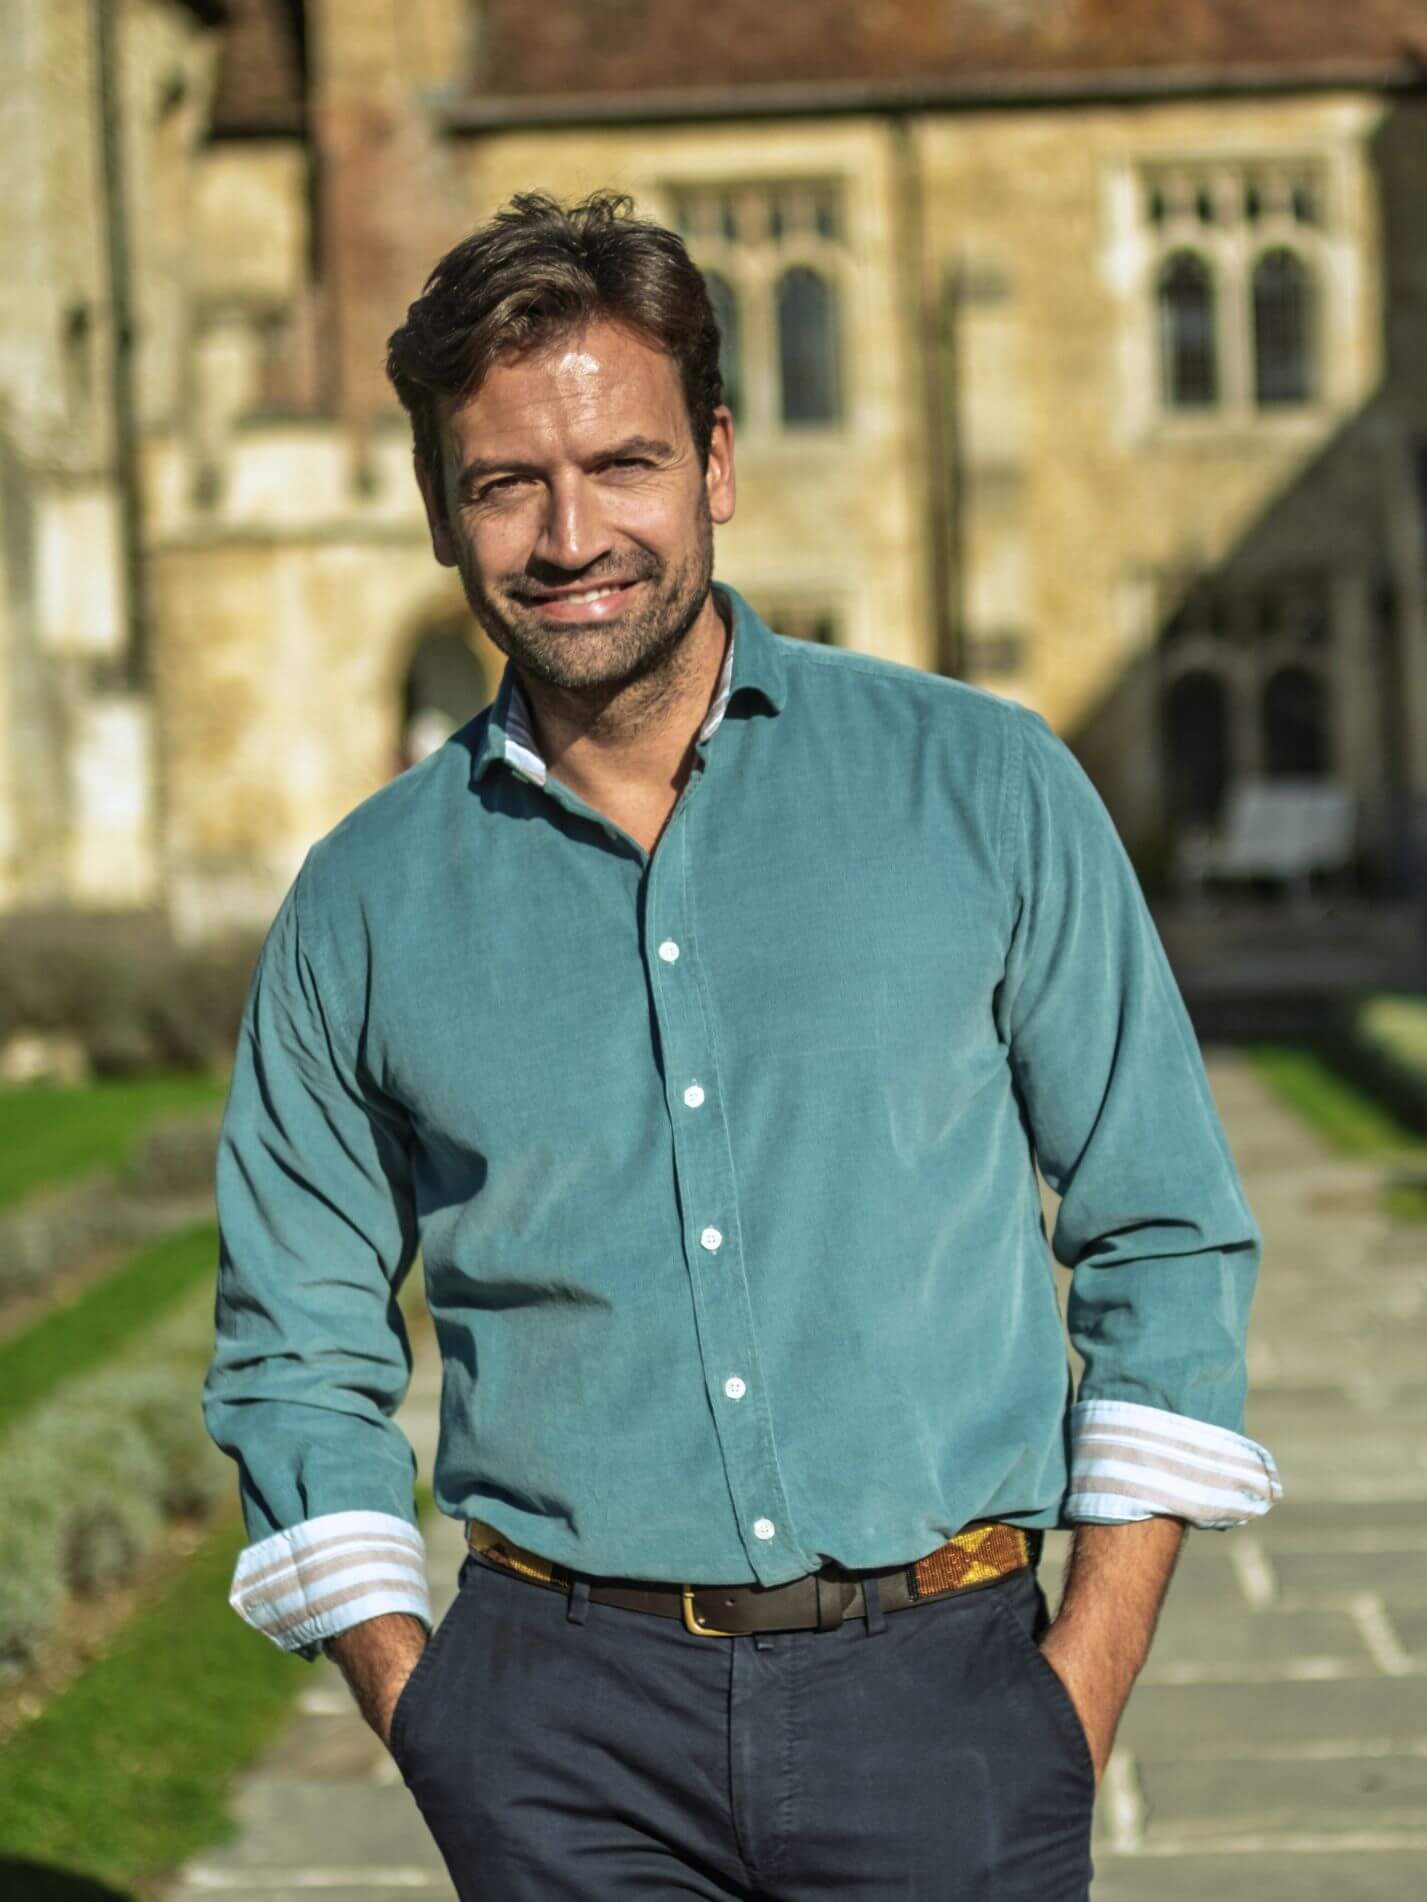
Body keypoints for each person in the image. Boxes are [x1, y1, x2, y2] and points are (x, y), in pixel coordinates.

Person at [203, 191, 1280, 1901]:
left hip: (947, 1703)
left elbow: (1164, 1226)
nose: (571, 535)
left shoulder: (985, 788)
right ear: (437, 511)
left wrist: (1077, 1687)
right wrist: (440, 1724)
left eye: (621, 464)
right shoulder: (361, 901)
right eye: (506, 483)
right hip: (555, 1739)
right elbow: (293, 1346)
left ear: (716, 461)